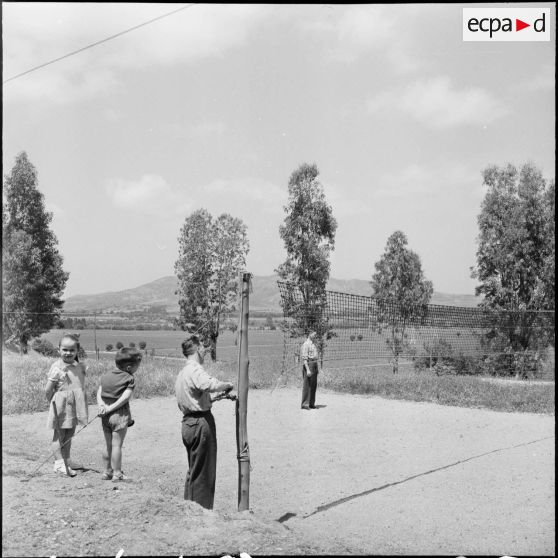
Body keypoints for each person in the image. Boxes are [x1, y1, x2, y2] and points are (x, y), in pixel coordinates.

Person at [175, 334, 234, 509]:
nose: (204, 350)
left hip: (188, 422)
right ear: (197, 349)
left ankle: (190, 507)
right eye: (202, 347)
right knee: (204, 471)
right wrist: (226, 384)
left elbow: (195, 397)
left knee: (195, 468)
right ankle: (200, 512)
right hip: (200, 422)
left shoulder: (183, 372)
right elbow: (208, 384)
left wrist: (218, 397)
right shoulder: (195, 369)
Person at [45, 333, 89, 476]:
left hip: (74, 404)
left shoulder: (78, 366)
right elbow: (48, 389)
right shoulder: (57, 367)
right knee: (59, 434)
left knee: (70, 433)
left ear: (77, 351)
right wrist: (52, 402)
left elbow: (79, 384)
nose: (68, 353)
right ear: (59, 349)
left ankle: (67, 459)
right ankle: (59, 464)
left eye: (72, 350)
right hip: (60, 405)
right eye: (65, 349)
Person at [97, 347, 141, 482]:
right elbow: (125, 398)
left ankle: (107, 472)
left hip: (104, 415)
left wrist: (102, 406)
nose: (137, 369)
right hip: (119, 414)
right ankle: (117, 474)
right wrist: (111, 408)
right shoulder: (129, 378)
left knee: (108, 445)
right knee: (117, 445)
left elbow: (99, 391)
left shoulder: (105, 376)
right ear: (129, 367)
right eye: (137, 366)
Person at [300, 330, 320, 410]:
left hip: (314, 364)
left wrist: (317, 368)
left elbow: (315, 356)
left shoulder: (314, 344)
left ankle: (311, 403)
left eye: (316, 334)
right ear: (310, 334)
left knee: (313, 385)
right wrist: (308, 370)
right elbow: (304, 359)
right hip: (309, 364)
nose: (315, 336)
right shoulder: (306, 344)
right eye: (314, 334)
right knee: (307, 385)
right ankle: (305, 404)